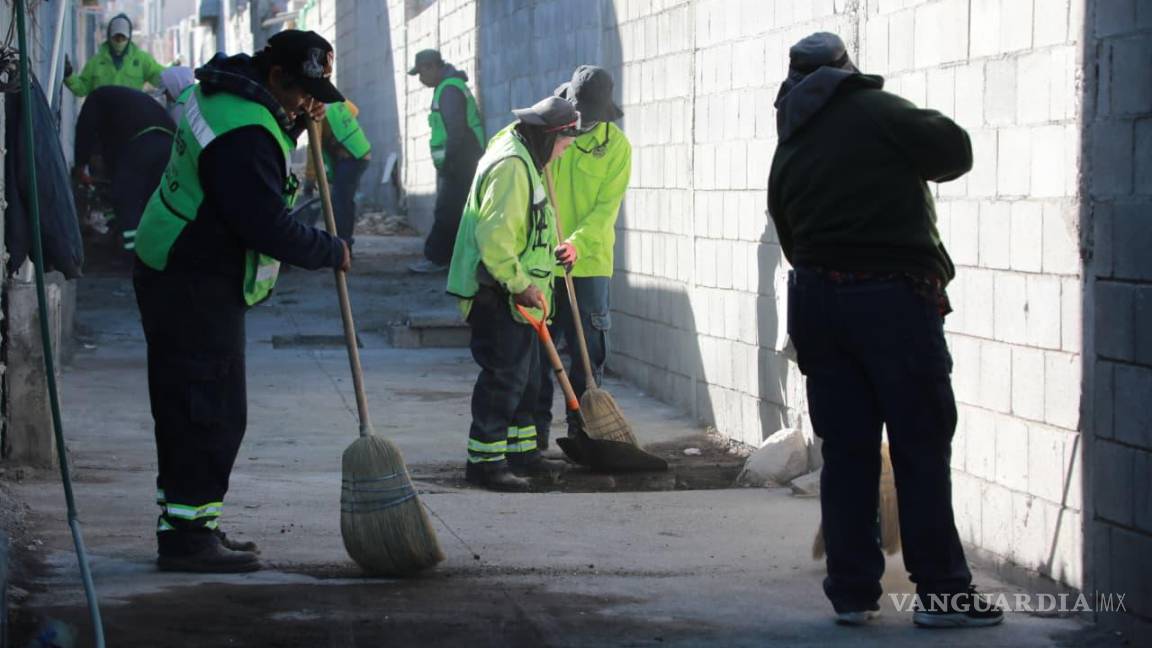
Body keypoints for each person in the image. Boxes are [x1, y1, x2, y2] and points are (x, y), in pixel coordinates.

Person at [767, 33, 1003, 628]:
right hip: (891, 301)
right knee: (920, 444)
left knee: (846, 451)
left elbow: (787, 229)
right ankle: (943, 596)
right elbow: (954, 151)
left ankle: (851, 592)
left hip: (816, 303)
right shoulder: (876, 109)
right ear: (846, 69)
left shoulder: (790, 137)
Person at [132, 30, 350, 573]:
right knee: (207, 411)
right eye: (301, 92)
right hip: (192, 277)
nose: (307, 103)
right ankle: (187, 540)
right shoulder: (246, 135)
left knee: (194, 406)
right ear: (275, 76)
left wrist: (293, 122)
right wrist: (330, 250)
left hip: (177, 259)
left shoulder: (221, 90)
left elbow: (245, 165)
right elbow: (264, 223)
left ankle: (192, 524)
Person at [446, 96, 582, 492]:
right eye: (563, 145)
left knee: (527, 380)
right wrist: (519, 284)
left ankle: (522, 453)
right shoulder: (511, 166)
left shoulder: (526, 157)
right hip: (497, 292)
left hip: (520, 295)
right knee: (504, 379)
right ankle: (485, 463)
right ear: (550, 136)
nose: (562, 153)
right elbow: (495, 237)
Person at [534, 65, 631, 450]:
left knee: (587, 356)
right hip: (542, 263)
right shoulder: (548, 132)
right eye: (579, 115)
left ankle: (583, 433)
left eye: (591, 116)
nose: (584, 123)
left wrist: (577, 243)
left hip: (588, 264)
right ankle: (534, 435)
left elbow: (606, 210)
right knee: (539, 355)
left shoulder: (616, 147)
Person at [72, 86, 175, 254]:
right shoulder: (125, 103)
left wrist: (80, 165)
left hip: (143, 142)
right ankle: (155, 248)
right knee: (151, 198)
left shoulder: (95, 101)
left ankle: (133, 253)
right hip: (169, 141)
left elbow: (85, 131)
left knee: (126, 198)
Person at [408, 49, 485, 273]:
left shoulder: (449, 90)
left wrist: (449, 162)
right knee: (458, 211)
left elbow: (456, 130)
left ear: (432, 66)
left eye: (421, 72)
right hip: (464, 158)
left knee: (446, 210)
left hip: (461, 160)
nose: (421, 79)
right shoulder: (449, 86)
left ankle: (437, 258)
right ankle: (454, 259)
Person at [304, 99, 372, 247]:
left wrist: (310, 178)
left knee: (339, 202)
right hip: (360, 152)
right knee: (344, 201)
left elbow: (314, 147)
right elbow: (354, 110)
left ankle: (343, 246)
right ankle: (344, 244)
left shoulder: (315, 112)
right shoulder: (332, 100)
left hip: (351, 157)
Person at [64, 13, 165, 97]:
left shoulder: (142, 61)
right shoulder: (95, 63)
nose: (119, 41)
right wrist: (69, 76)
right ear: (109, 36)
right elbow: (82, 89)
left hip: (131, 114)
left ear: (129, 38)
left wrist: (174, 77)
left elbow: (163, 78)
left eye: (123, 38)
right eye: (116, 38)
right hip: (104, 114)